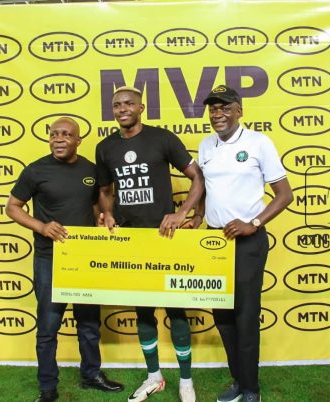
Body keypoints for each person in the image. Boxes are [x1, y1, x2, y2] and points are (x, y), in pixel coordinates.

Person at [95, 86, 204, 402]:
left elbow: (197, 177)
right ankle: (154, 377)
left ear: (141, 107)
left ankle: (186, 382)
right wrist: (107, 213)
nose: (123, 109)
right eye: (117, 105)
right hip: (131, 241)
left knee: (176, 311)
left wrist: (184, 212)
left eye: (129, 103)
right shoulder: (105, 147)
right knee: (143, 312)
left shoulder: (162, 138)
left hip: (165, 238)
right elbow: (105, 190)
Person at [185, 85, 293, 402]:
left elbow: (285, 195)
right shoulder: (206, 146)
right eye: (213, 108)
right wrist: (198, 215)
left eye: (225, 107)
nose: (218, 114)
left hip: (248, 242)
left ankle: (251, 389)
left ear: (239, 111)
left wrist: (253, 223)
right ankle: (238, 379)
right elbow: (205, 187)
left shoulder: (259, 143)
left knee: (245, 316)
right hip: (215, 242)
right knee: (223, 317)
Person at [6, 117, 124, 402]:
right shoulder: (35, 170)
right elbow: (13, 207)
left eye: (66, 134)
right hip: (49, 259)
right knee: (48, 326)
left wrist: (100, 217)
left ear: (78, 140)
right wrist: (42, 227)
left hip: (83, 259)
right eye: (54, 134)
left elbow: (95, 203)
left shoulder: (90, 170)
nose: (58, 139)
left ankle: (91, 375)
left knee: (89, 323)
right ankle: (48, 386)